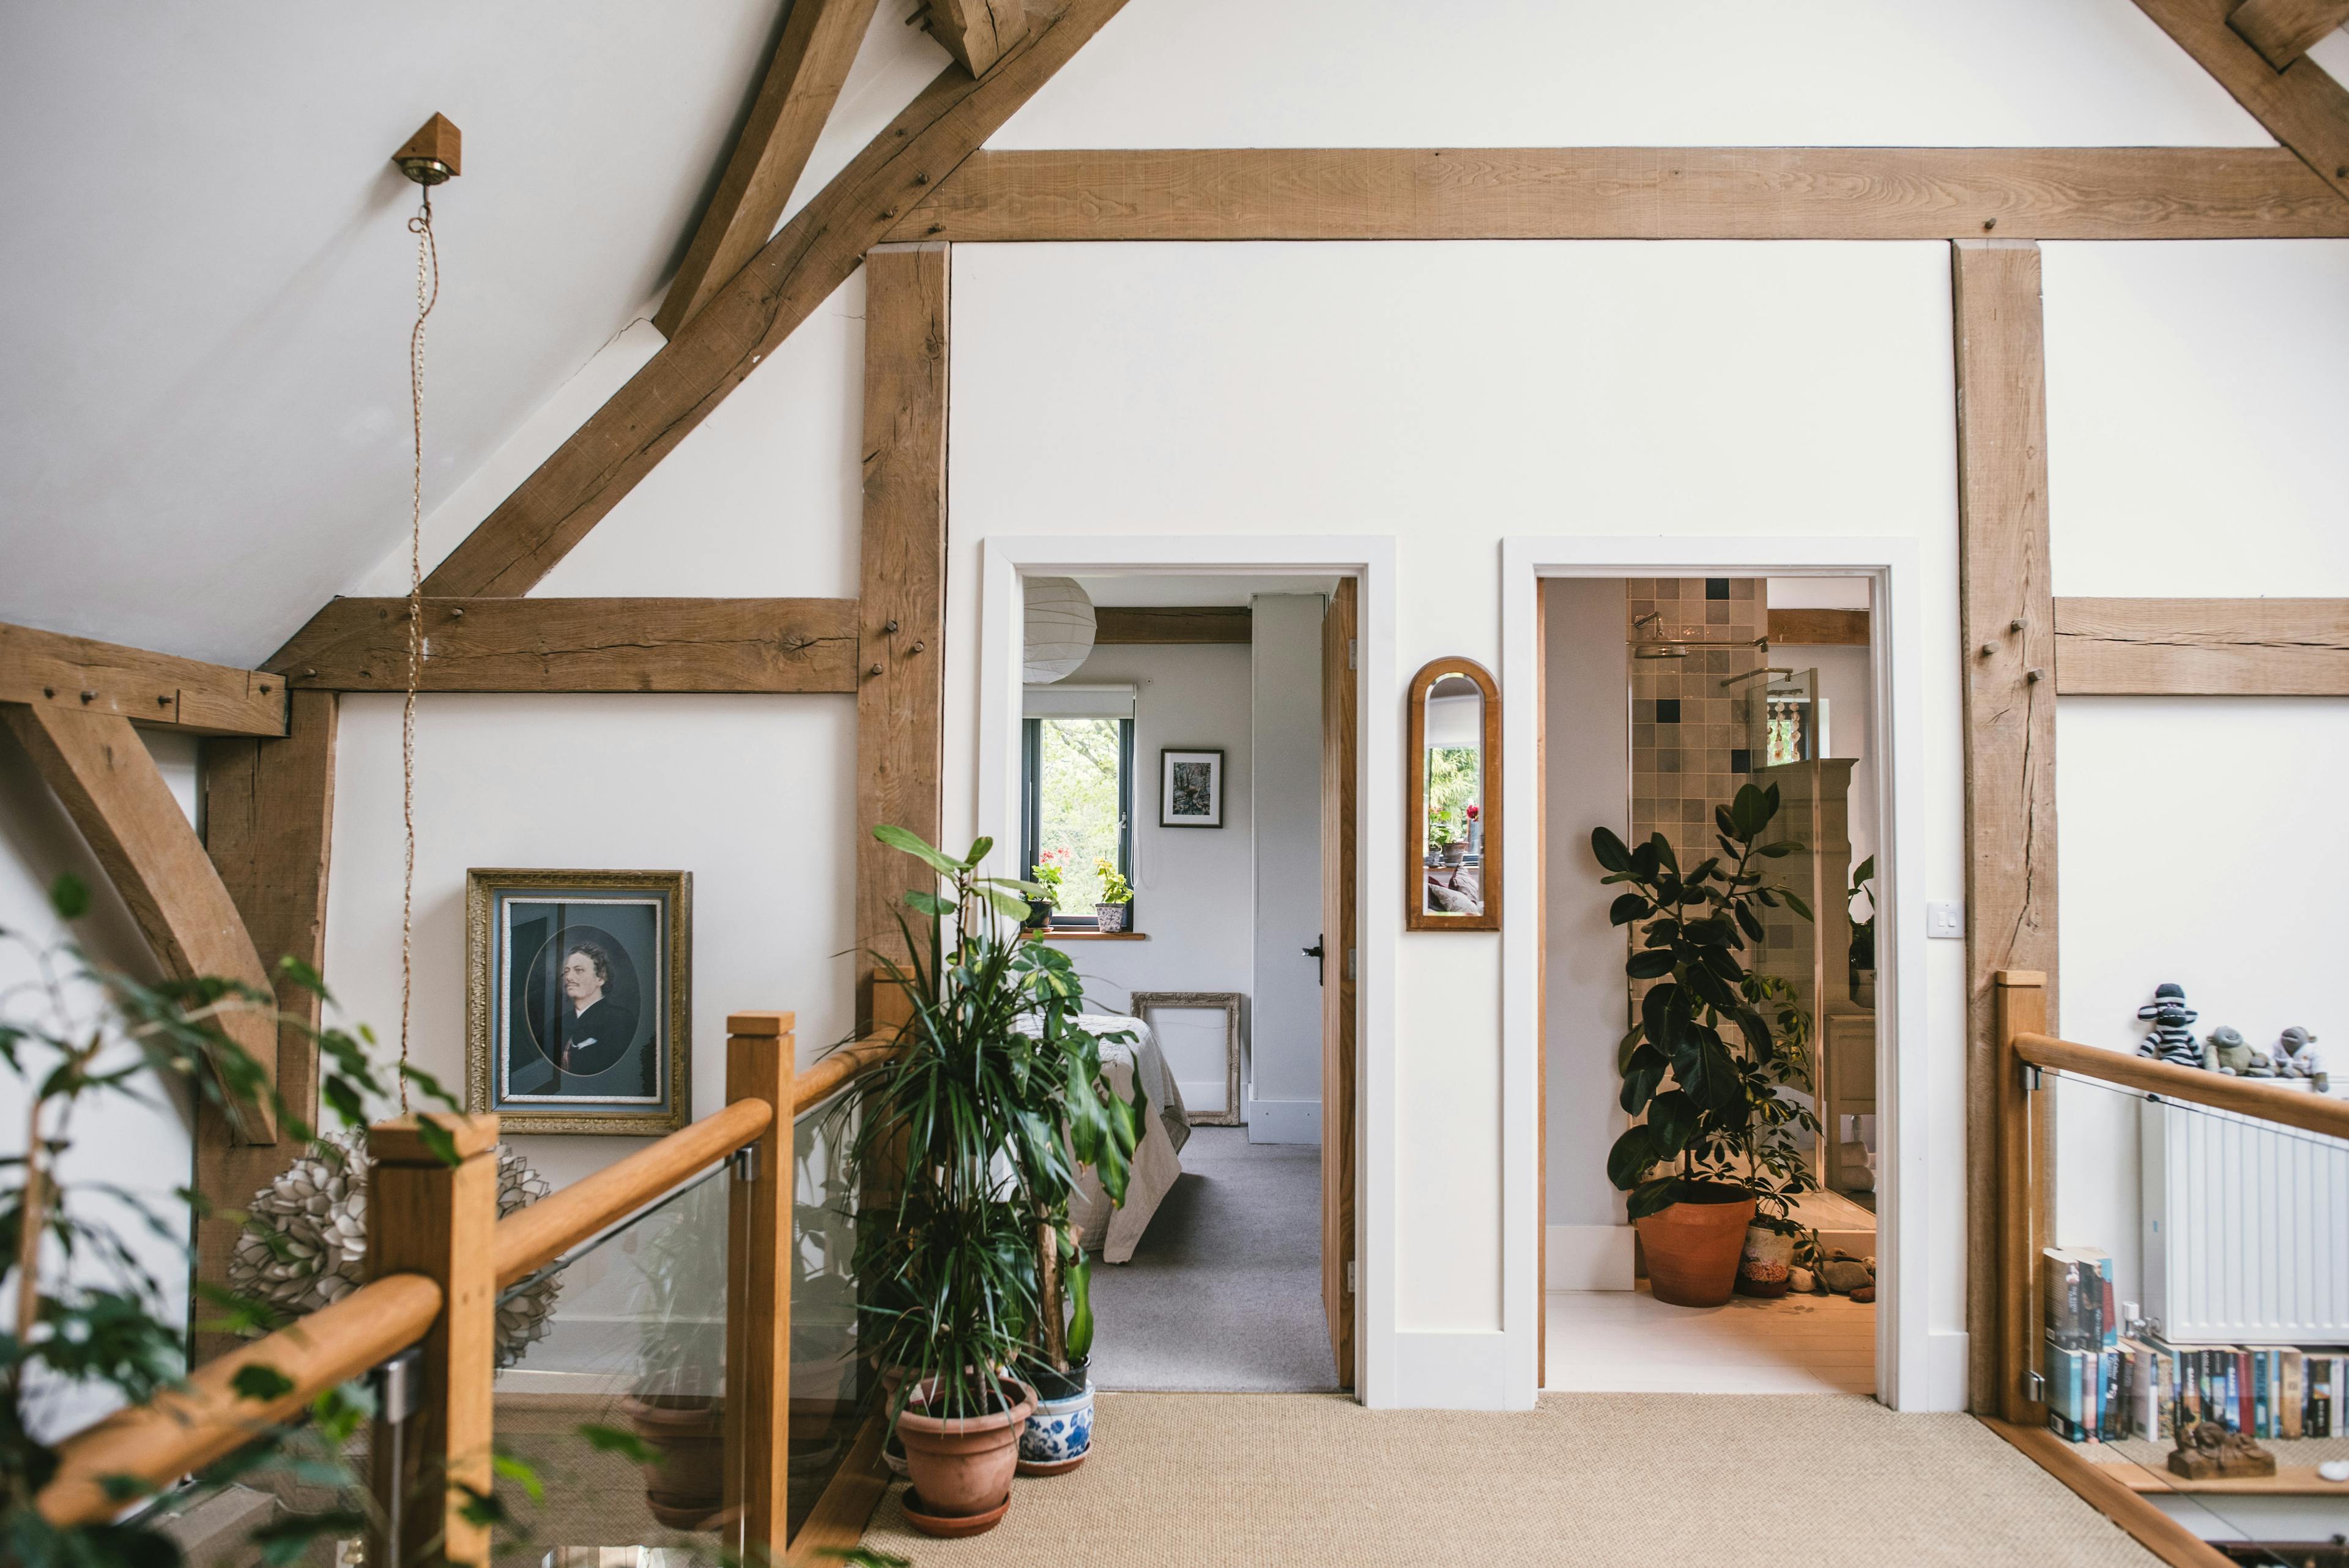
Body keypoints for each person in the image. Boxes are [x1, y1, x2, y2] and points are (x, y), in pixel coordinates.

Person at [554, 941, 637, 1080]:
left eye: (579, 970)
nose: (569, 977)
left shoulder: (620, 1020)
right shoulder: (556, 1024)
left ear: (601, 978)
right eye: (567, 971)